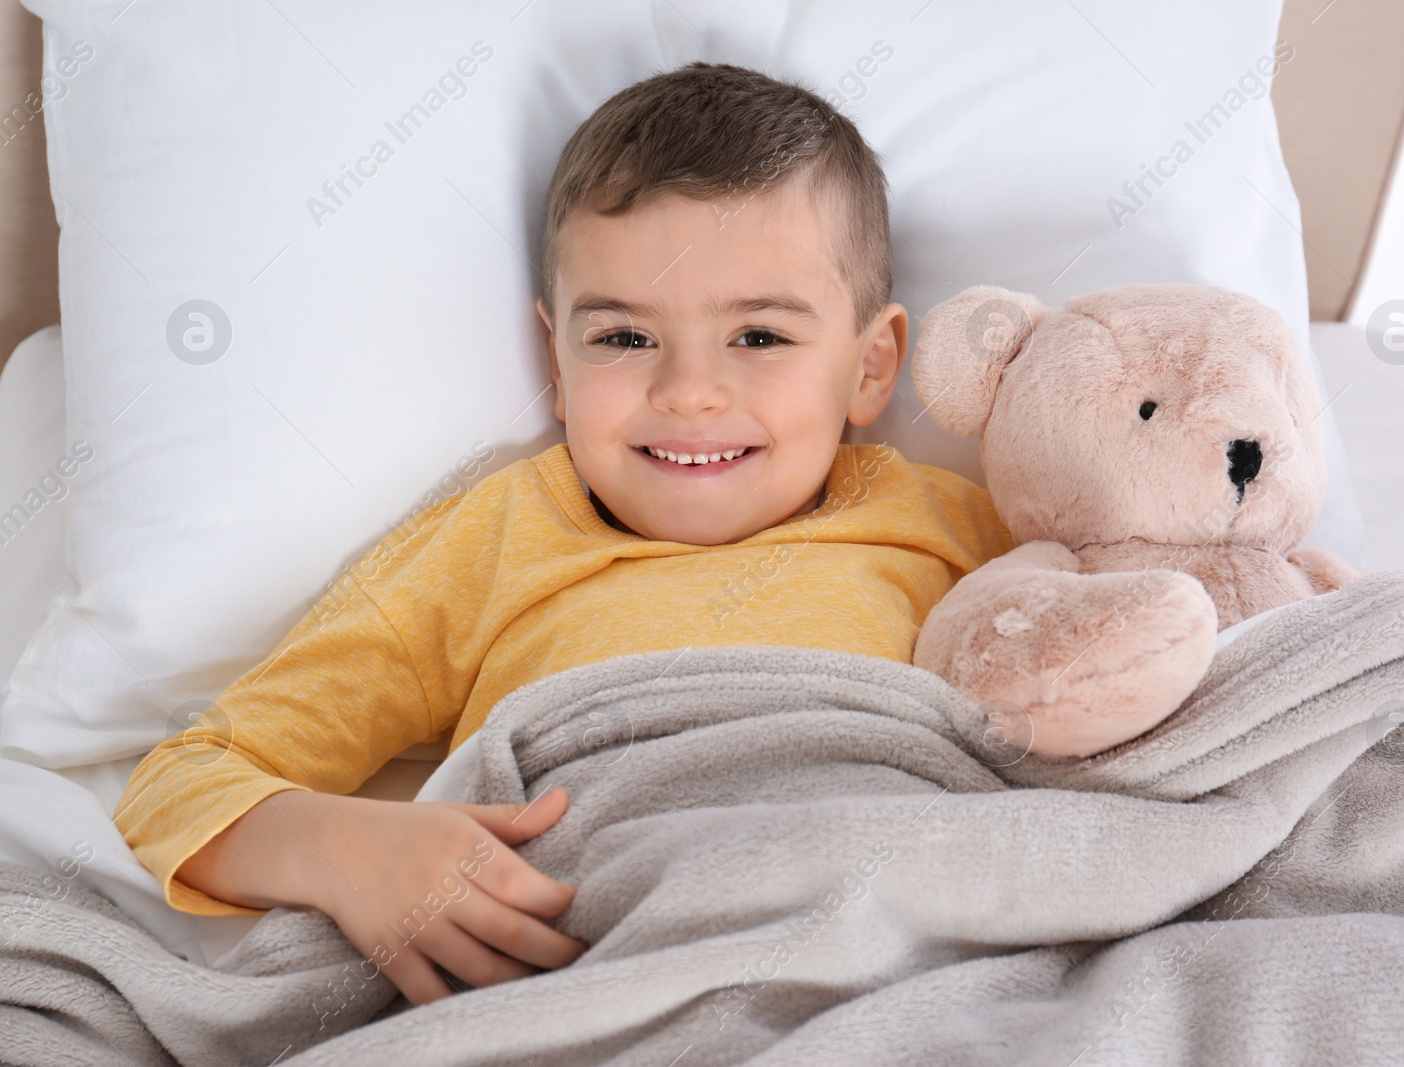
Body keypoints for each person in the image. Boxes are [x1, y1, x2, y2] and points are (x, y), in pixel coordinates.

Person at [113, 61, 1015, 1007]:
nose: (688, 392)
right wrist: (349, 852)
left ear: (872, 367)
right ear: (555, 355)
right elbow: (182, 781)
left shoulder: (952, 525)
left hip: (893, 952)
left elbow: (1124, 683)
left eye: (759, 337)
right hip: (581, 968)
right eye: (624, 338)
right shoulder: (498, 538)